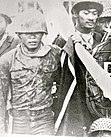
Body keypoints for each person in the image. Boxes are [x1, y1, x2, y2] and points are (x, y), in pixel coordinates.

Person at [0, 9, 61, 136]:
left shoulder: (55, 54)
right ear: (19, 34)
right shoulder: (7, 60)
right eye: (27, 33)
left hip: (44, 119)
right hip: (19, 121)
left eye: (37, 33)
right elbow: (1, 97)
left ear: (44, 33)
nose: (32, 37)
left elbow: (63, 85)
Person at [55, 0, 103, 136]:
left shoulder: (102, 40)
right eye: (86, 13)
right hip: (74, 101)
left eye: (94, 13)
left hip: (98, 101)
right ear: (75, 14)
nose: (91, 17)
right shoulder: (62, 41)